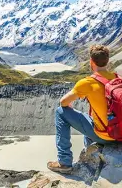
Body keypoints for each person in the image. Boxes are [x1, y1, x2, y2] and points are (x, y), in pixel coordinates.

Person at [47, 45, 116, 173]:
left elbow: (63, 102)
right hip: (120, 135)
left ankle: (64, 161)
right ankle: (90, 150)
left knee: (60, 112)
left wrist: (68, 105)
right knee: (89, 117)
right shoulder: (117, 79)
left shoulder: (87, 82)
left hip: (105, 136)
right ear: (107, 61)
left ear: (91, 62)